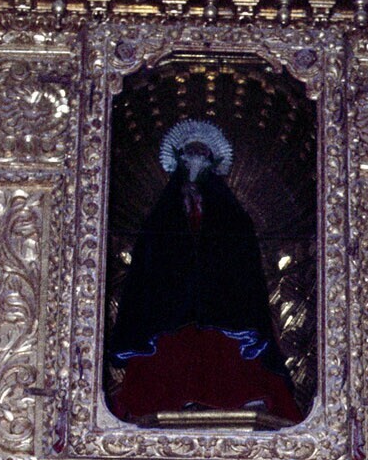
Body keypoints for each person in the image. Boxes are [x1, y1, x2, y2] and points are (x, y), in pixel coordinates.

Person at [105, 119, 302, 425]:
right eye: (190, 153)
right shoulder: (163, 214)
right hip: (172, 304)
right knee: (172, 349)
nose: (195, 159)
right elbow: (150, 262)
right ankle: (170, 400)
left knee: (227, 349)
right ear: (179, 160)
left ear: (212, 161)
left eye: (202, 153)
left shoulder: (231, 214)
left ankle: (240, 397)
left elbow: (242, 261)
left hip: (223, 303)